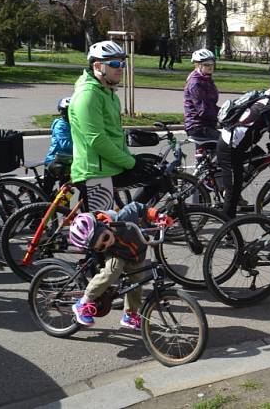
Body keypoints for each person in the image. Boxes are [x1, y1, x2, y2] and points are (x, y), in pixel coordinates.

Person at [69, 40, 159, 211]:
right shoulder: (88, 96)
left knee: (158, 178)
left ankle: (131, 216)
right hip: (95, 173)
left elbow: (115, 135)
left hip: (111, 167)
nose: (120, 68)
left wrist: (131, 160)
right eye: (115, 63)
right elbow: (97, 140)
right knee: (102, 232)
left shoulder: (109, 94)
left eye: (122, 63)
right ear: (97, 66)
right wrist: (131, 163)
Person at [70, 202, 174, 329]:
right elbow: (103, 246)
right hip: (117, 254)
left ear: (105, 226)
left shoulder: (123, 218)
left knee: (136, 283)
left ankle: (130, 315)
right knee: (113, 269)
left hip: (136, 254)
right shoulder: (108, 245)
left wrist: (157, 215)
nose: (106, 243)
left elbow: (138, 207)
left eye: (105, 238)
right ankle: (83, 303)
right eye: (101, 247)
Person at [218, 72, 270, 218]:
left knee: (262, 157)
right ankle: (228, 233)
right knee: (233, 193)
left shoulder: (266, 97)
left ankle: (238, 178)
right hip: (230, 148)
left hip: (239, 143)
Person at [183, 48, 220, 140]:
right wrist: (222, 117)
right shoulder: (195, 83)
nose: (210, 67)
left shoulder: (206, 79)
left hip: (207, 124)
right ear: (198, 65)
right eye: (206, 64)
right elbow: (203, 110)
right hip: (197, 126)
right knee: (227, 143)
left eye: (212, 64)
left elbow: (211, 104)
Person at [45, 97, 73, 165]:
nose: (66, 113)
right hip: (55, 159)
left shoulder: (73, 123)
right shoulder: (60, 126)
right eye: (65, 111)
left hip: (68, 157)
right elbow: (66, 145)